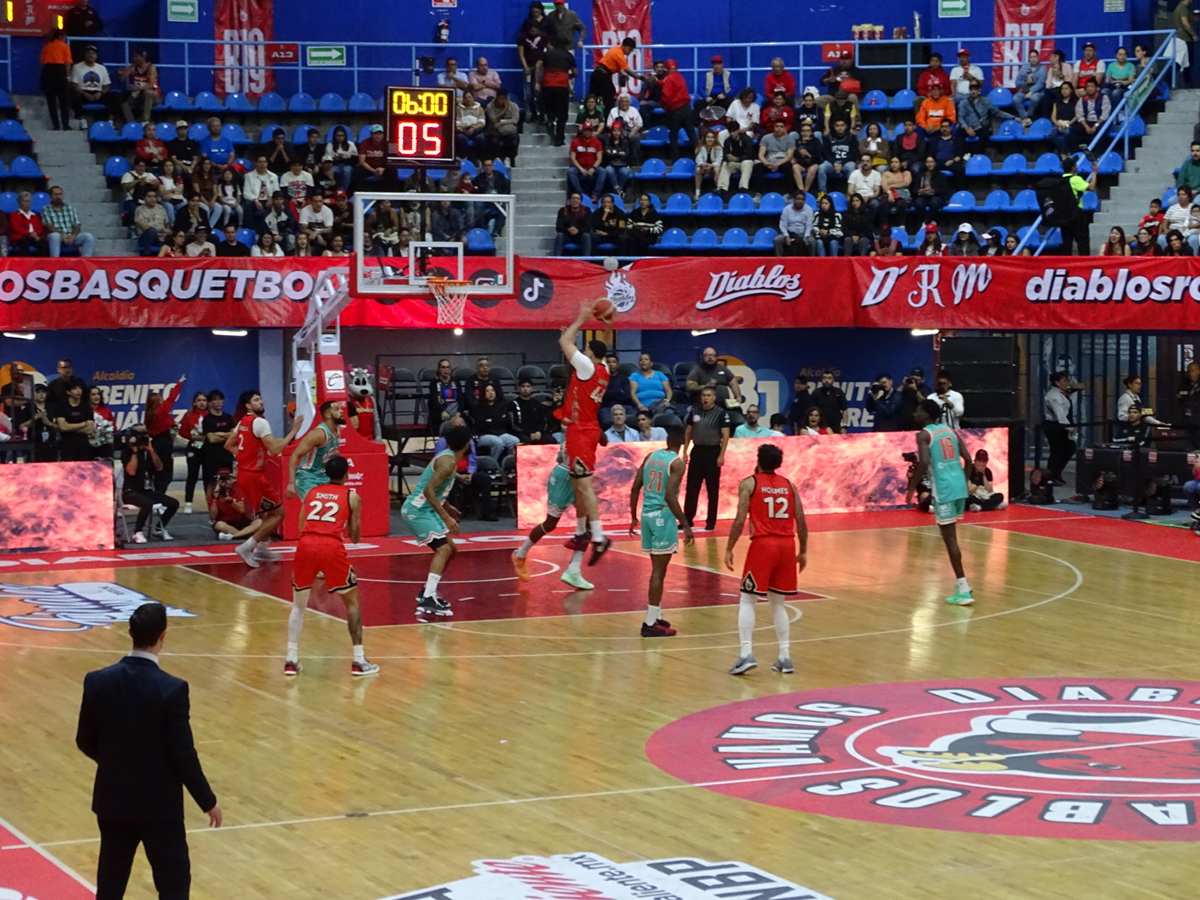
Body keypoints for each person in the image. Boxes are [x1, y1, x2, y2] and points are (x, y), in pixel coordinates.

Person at [75, 603, 221, 900]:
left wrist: (117, 763)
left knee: (110, 886)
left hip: (112, 799)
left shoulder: (97, 681)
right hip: (159, 807)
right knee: (173, 886)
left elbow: (84, 740)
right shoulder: (172, 689)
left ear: (130, 633)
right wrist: (207, 801)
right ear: (163, 635)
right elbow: (184, 755)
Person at [285, 455, 378, 677]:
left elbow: (300, 527)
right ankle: (358, 660)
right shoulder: (352, 496)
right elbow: (355, 536)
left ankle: (291, 659)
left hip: (306, 544)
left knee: (298, 605)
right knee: (352, 603)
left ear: (325, 473)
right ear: (347, 475)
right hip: (331, 546)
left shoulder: (311, 493)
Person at [723, 443, 807, 676]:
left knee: (747, 600)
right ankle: (784, 656)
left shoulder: (750, 483)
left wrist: (729, 548)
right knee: (778, 603)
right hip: (787, 545)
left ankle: (745, 654)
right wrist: (804, 550)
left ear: (758, 460)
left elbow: (740, 519)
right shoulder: (789, 485)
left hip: (763, 544)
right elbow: (800, 519)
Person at [554, 300, 614, 565]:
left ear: (589, 354)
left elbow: (564, 344)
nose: (583, 351)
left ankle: (599, 537)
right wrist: (606, 325)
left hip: (581, 430)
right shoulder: (604, 368)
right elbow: (600, 347)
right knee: (578, 483)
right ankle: (580, 532)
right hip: (584, 429)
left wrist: (580, 319)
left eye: (585, 349)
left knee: (585, 485)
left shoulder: (588, 367)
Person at [401, 424, 473, 617]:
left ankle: (427, 591)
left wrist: (448, 507)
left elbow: (434, 488)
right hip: (417, 510)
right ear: (467, 445)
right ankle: (428, 597)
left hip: (427, 508)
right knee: (444, 549)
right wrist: (446, 516)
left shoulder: (448, 459)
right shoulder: (447, 462)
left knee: (452, 551)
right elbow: (428, 491)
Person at [629, 426, 694, 638]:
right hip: (662, 516)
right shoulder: (677, 463)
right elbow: (669, 496)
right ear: (683, 442)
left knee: (658, 569)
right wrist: (684, 523)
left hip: (647, 515)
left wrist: (633, 517)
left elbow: (635, 486)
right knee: (658, 571)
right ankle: (649, 623)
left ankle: (655, 615)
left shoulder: (651, 456)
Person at [908, 399, 974, 606]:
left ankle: (963, 588)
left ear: (926, 414)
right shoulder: (950, 430)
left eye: (918, 410)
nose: (915, 413)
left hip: (944, 488)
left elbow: (925, 462)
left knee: (950, 540)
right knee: (951, 538)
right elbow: (969, 459)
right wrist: (965, 479)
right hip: (958, 487)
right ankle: (961, 586)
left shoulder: (924, 435)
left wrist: (911, 486)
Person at [226, 389, 302, 568]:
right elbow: (275, 450)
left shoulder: (243, 422)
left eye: (260, 399)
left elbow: (229, 444)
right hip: (253, 475)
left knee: (268, 513)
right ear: (248, 405)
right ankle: (247, 546)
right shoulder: (260, 423)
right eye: (256, 400)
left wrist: (243, 457)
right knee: (279, 513)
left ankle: (263, 548)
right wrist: (294, 432)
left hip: (247, 473)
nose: (261, 402)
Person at [511, 448, 593, 589]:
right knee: (550, 523)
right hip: (566, 475)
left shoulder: (589, 428)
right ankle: (520, 554)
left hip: (580, 475)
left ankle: (574, 570)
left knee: (590, 522)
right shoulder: (575, 428)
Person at [683, 386, 731, 532]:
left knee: (712, 490)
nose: (706, 398)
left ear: (714, 397)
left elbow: (725, 435)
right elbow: (688, 431)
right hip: (697, 451)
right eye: (704, 395)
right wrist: (685, 450)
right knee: (691, 488)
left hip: (713, 451)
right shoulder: (695, 411)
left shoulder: (721, 413)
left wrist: (721, 455)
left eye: (709, 395)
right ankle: (687, 520)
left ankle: (711, 522)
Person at [121, 431, 181, 541]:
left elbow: (159, 468)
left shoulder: (147, 453)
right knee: (147, 503)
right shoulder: (127, 453)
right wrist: (134, 452)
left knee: (173, 503)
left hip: (146, 491)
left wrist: (151, 450)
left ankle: (158, 529)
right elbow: (131, 471)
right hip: (130, 492)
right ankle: (137, 532)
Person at [286, 400, 344, 504]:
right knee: (314, 509)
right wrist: (291, 483)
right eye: (336, 409)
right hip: (308, 477)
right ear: (328, 415)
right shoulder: (318, 434)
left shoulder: (337, 431)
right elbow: (295, 455)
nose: (341, 411)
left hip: (324, 477)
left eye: (340, 408)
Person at [208, 468, 262, 542]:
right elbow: (213, 516)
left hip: (241, 521)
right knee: (219, 525)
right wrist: (214, 499)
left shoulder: (238, 489)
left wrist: (231, 501)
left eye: (227, 479)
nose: (224, 482)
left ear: (231, 480)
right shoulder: (215, 493)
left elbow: (241, 510)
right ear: (217, 481)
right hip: (226, 522)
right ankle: (245, 535)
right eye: (221, 480)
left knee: (259, 522)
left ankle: (233, 536)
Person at [42, 185, 96, 258]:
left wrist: (73, 236)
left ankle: (85, 262)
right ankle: (55, 262)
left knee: (88, 237)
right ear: (50, 196)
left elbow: (77, 226)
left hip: (71, 236)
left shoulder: (70, 209)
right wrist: (62, 235)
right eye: (55, 194)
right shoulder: (46, 209)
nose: (58, 197)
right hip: (57, 237)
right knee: (55, 236)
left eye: (60, 194)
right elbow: (49, 226)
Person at [1043, 371, 1076, 486]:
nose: (1066, 383)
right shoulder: (1054, 396)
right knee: (1055, 451)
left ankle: (1056, 473)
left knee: (1070, 448)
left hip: (1059, 426)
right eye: (1064, 381)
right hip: (1054, 426)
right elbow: (1059, 413)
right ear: (1057, 382)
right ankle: (1050, 477)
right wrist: (1068, 426)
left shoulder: (1060, 394)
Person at [200, 389, 234, 502]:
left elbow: (234, 435)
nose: (218, 402)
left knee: (228, 482)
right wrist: (226, 435)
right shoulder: (207, 419)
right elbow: (211, 438)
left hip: (227, 455)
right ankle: (211, 509)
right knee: (211, 482)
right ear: (210, 403)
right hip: (211, 457)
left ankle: (226, 506)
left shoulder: (228, 418)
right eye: (215, 400)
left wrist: (221, 433)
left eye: (220, 399)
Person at [541, 37, 576, 147]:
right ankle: (559, 139)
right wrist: (568, 76)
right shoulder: (568, 55)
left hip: (547, 84)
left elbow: (539, 67)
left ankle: (550, 120)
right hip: (561, 85)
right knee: (562, 114)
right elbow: (576, 72)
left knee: (550, 108)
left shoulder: (547, 54)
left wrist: (538, 82)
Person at [177, 391, 208, 514]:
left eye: (204, 400)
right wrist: (192, 437)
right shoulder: (189, 415)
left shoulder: (210, 415)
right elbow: (182, 431)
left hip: (207, 448)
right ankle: (188, 503)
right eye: (199, 400)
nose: (201, 403)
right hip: (193, 447)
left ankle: (210, 502)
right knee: (192, 475)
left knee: (208, 477)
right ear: (195, 402)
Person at [40, 28, 73, 131]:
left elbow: (43, 61)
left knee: (51, 101)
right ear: (61, 37)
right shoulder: (65, 46)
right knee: (64, 101)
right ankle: (66, 125)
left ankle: (56, 125)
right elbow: (67, 62)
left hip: (48, 71)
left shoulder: (47, 46)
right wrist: (67, 76)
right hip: (60, 71)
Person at [55, 377, 94, 461]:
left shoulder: (86, 407)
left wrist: (69, 426)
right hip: (67, 446)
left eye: (80, 388)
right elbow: (63, 427)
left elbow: (89, 429)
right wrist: (82, 424)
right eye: (75, 389)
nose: (78, 391)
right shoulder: (61, 407)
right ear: (68, 392)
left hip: (83, 446)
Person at [1012, 49, 1047, 125]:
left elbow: (1041, 84)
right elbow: (1017, 83)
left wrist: (1031, 91)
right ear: (1029, 58)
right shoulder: (1024, 68)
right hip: (1024, 90)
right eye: (1031, 57)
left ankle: (1029, 116)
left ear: (1038, 58)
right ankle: (1025, 118)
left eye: (1035, 57)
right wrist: (1025, 82)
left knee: (1034, 98)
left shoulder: (1042, 69)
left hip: (1038, 91)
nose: (1033, 59)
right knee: (1015, 99)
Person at [812, 369, 849, 433]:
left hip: (835, 425)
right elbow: (811, 411)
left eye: (829, 378)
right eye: (824, 378)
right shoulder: (816, 393)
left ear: (833, 380)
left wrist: (844, 426)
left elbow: (844, 410)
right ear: (821, 380)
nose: (826, 380)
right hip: (820, 426)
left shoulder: (838, 392)